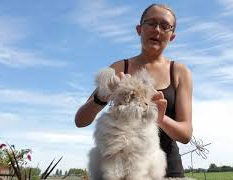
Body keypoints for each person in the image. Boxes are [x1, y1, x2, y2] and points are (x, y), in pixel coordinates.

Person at [75, 3, 193, 178]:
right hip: (119, 171)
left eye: (165, 26)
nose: (157, 30)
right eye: (151, 23)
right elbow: (81, 120)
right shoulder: (119, 67)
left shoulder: (179, 72)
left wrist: (159, 118)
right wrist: (101, 97)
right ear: (139, 29)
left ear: (172, 36)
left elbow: (185, 134)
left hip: (166, 171)